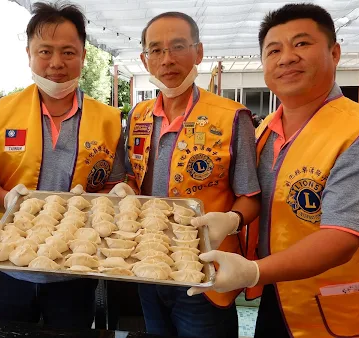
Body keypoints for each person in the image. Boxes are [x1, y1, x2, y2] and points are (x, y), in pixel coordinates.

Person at [188, 4, 359, 337]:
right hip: (279, 294)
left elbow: (341, 239)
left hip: (340, 303)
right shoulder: (264, 131)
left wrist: (252, 271)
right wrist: (233, 219)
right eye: (274, 50)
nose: (286, 57)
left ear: (334, 52)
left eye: (301, 44)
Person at [0, 2, 126, 328]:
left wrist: (118, 191)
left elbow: (113, 187)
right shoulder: (2, 112)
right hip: (9, 264)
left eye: (68, 52)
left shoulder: (108, 119)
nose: (56, 63)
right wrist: (7, 198)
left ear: (84, 56)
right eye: (45, 51)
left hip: (76, 265)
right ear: (29, 54)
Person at [114, 11, 261, 338]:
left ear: (199, 52)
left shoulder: (233, 118)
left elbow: (251, 197)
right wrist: (124, 189)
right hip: (148, 261)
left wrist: (232, 220)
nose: (167, 59)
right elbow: (132, 177)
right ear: (144, 59)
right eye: (156, 50)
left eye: (178, 46)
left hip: (206, 270)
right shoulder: (138, 116)